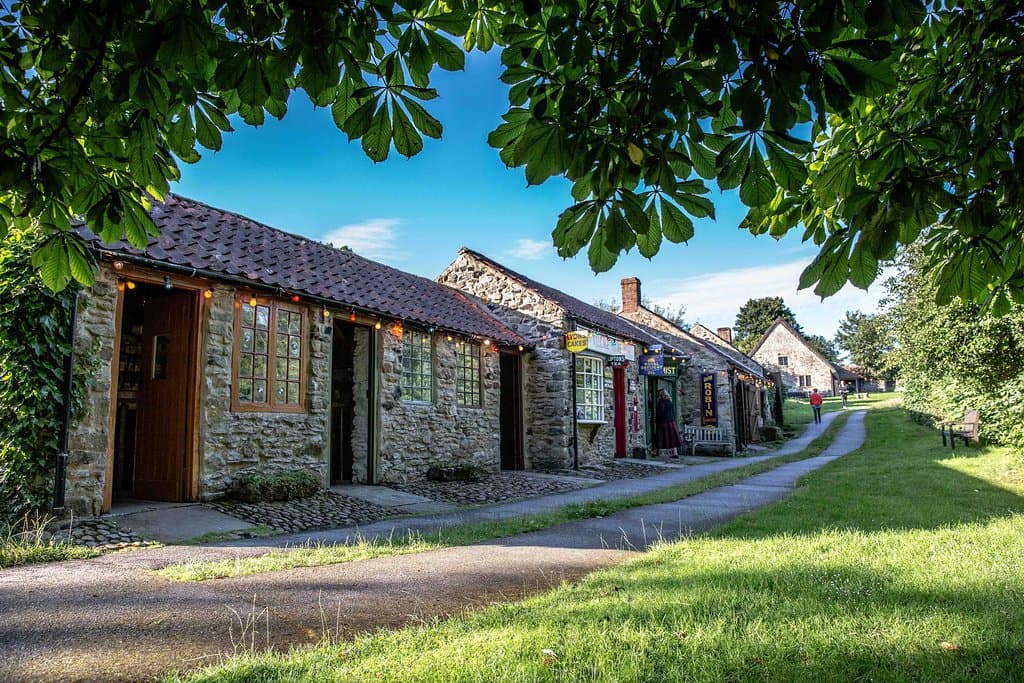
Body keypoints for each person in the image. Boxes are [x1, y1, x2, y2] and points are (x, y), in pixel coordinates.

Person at [654, 388, 683, 456]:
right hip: (671, 421)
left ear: (660, 395)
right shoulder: (670, 401)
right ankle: (675, 453)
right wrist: (674, 420)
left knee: (659, 437)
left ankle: (654, 452)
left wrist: (656, 420)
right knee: (672, 437)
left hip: (663, 422)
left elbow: (659, 413)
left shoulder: (661, 402)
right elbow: (673, 412)